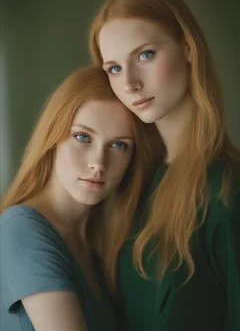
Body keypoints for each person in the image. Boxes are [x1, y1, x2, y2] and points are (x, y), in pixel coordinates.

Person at [88, 0, 240, 330]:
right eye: (114, 68)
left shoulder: (230, 189)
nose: (130, 83)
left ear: (187, 46)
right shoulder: (130, 182)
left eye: (145, 55)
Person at [0, 66, 163, 331]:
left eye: (118, 145)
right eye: (82, 137)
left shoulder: (98, 246)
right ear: (52, 137)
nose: (98, 163)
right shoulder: (22, 229)